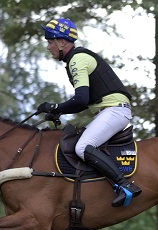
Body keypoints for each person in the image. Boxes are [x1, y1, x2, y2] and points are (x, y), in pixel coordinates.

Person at [36, 18, 141, 207]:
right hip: (110, 110)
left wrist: (56, 108)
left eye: (50, 41)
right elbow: (84, 102)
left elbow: (81, 99)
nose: (48, 46)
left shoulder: (77, 59)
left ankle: (125, 186)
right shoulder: (75, 60)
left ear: (62, 42)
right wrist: (58, 112)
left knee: (83, 147)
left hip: (114, 111)